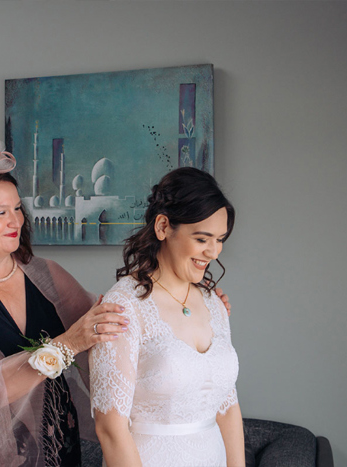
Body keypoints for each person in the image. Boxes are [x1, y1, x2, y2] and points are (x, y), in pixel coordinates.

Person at [0, 139, 129, 466]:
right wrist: (67, 344)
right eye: (1, 212)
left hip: (60, 450)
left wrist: (190, 300)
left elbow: (106, 319)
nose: (15, 221)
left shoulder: (46, 273)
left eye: (18, 208)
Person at [89, 167, 244, 467]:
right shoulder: (123, 306)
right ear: (163, 227)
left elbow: (227, 407)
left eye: (220, 239)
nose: (213, 252)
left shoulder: (213, 303)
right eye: (202, 239)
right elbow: (110, 429)